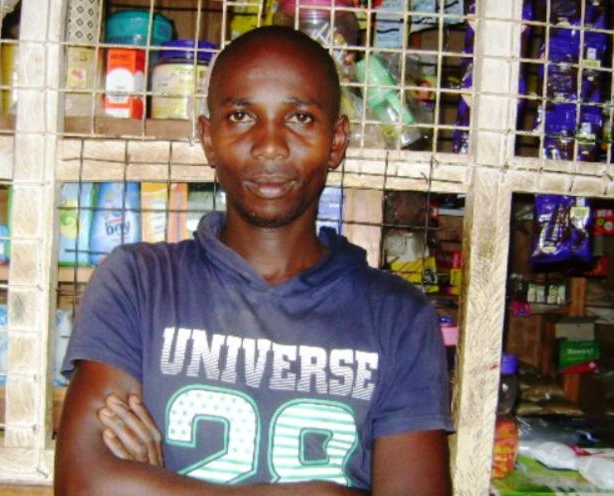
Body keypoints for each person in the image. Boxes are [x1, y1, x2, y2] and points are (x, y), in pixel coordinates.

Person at [54, 25, 453, 496]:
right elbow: (84, 485)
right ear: (208, 138)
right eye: (241, 116)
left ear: (336, 141)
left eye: (300, 117)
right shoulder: (137, 282)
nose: (269, 145)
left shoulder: (398, 316)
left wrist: (159, 486)